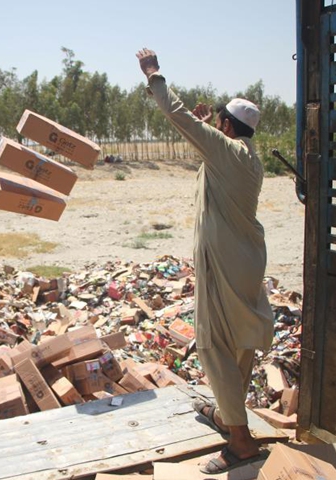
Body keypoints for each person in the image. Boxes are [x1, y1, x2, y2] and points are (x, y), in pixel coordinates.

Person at [136, 48, 273, 474]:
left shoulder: (226, 151)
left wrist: (154, 75)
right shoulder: (247, 158)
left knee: (214, 346)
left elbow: (178, 116)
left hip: (227, 269)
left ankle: (240, 444)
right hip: (247, 263)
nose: (213, 125)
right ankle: (228, 417)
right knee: (241, 346)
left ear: (227, 126)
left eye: (217, 122)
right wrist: (206, 131)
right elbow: (207, 154)